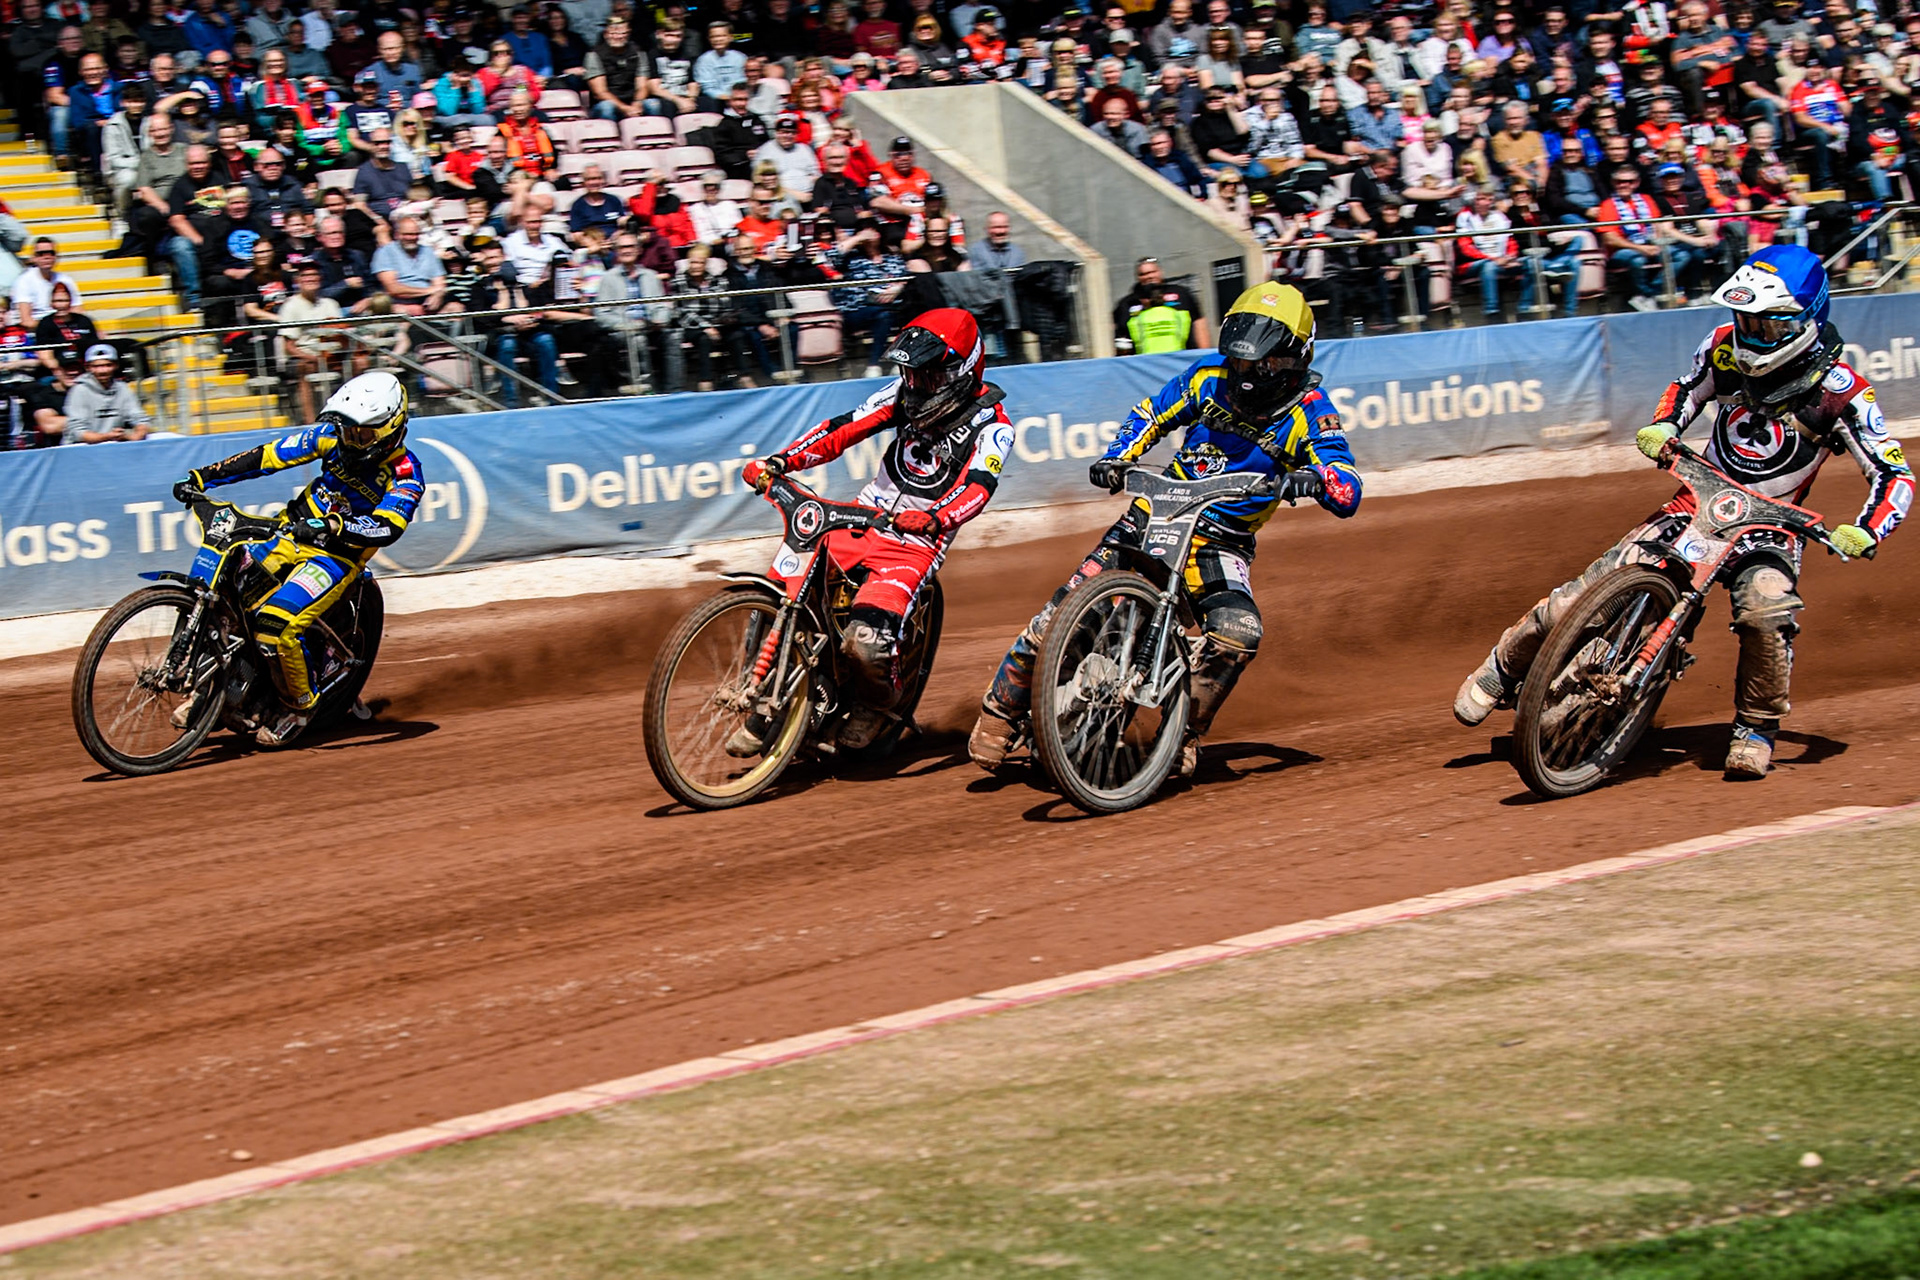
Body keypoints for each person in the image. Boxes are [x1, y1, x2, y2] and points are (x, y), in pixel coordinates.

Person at [1454, 246, 1914, 778]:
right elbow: (1687, 390)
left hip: (1770, 525)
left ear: (1804, 322)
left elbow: (1892, 473)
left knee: (1767, 610)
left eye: (1766, 324)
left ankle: (1756, 726)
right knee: (1586, 593)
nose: (1751, 333)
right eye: (1744, 319)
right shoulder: (1722, 346)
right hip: (1697, 498)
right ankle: (1503, 668)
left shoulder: (1843, 393)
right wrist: (1667, 424)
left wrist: (1867, 530)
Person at [970, 282, 1361, 776]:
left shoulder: (1311, 411)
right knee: (1060, 611)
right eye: (1237, 362)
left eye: (1257, 364)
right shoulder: (1206, 378)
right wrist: (1118, 457)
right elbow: (1151, 414)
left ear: (1290, 360)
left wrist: (1320, 479)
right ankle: (999, 711)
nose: (1243, 374)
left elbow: (1347, 481)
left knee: (1239, 633)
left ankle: (1182, 733)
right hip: (1154, 514)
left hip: (1222, 541)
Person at [731, 308, 1015, 753]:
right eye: (911, 374)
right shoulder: (904, 393)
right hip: (862, 518)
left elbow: (979, 488)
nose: (917, 385)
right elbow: (843, 430)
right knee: (781, 591)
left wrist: (938, 518)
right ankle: (770, 699)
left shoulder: (993, 426)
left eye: (928, 376)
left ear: (962, 370)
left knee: (865, 643)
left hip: (916, 543)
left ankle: (879, 705)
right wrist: (782, 462)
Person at [171, 372, 423, 745]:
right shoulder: (331, 437)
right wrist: (205, 476)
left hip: (335, 557)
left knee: (275, 625)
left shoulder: (406, 472)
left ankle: (299, 707)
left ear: (390, 429)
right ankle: (212, 685)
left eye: (363, 434)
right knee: (227, 590)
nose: (352, 440)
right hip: (288, 532)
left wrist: (333, 527)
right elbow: (269, 455)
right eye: (349, 431)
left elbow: (388, 527)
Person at [1113, 255, 1210, 353]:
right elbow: (1121, 337)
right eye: (1143, 274)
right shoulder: (1127, 303)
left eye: (1152, 272)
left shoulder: (1181, 293)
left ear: (1160, 272)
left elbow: (1199, 324)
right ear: (1138, 277)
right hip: (1143, 361)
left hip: (1183, 356)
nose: (1149, 277)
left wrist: (1205, 354)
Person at [62, 343, 151, 444]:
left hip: (112, 444)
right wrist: (107, 436)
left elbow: (139, 418)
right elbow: (78, 432)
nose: (102, 370)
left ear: (116, 366)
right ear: (88, 368)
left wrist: (136, 436)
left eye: (107, 365)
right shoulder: (79, 390)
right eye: (96, 366)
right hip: (82, 447)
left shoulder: (122, 388)